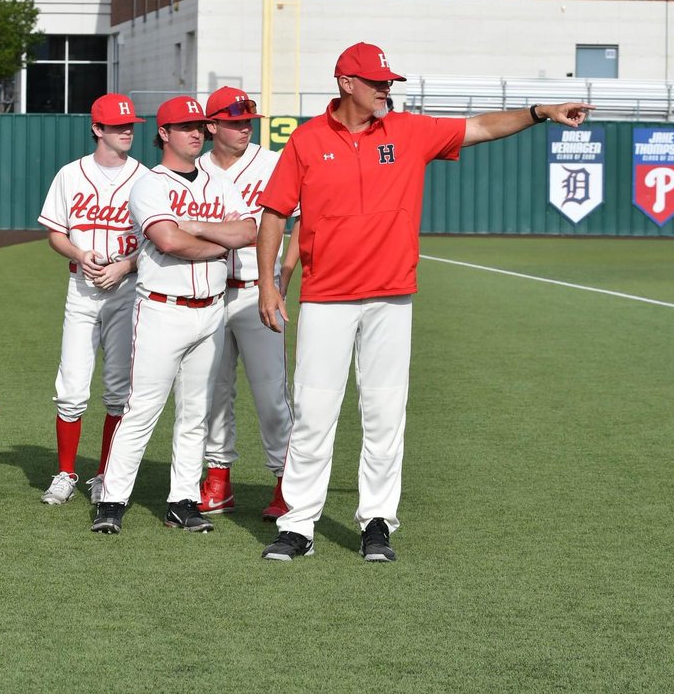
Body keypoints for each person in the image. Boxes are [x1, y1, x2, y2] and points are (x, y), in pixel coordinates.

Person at [255, 42, 593, 562]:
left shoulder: (408, 131)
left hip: (391, 298)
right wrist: (268, 283)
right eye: (377, 81)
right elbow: (275, 214)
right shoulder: (306, 140)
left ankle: (376, 524)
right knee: (314, 415)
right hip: (326, 297)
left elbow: (479, 128)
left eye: (389, 81)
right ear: (346, 83)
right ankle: (298, 526)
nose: (386, 88)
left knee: (384, 415)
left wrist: (539, 112)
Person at [91, 96, 256, 535]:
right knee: (141, 409)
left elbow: (248, 231)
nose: (196, 133)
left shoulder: (219, 181)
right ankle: (112, 500)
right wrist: (220, 245)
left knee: (195, 413)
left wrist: (197, 228)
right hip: (163, 310)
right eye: (185, 126)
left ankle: (182, 501)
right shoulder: (150, 184)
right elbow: (168, 241)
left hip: (211, 312)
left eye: (199, 126)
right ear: (164, 133)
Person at [195, 86, 302, 520]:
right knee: (213, 392)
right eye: (235, 122)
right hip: (209, 292)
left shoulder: (272, 163)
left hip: (260, 290)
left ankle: (285, 484)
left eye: (248, 122)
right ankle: (218, 480)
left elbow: (302, 221)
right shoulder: (195, 168)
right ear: (212, 126)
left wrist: (284, 277)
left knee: (272, 394)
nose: (244, 129)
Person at [37, 93, 147, 506]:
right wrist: (80, 254)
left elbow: (157, 242)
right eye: (118, 126)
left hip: (127, 291)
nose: (127, 131)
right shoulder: (71, 175)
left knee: (118, 391)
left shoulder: (146, 178)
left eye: (130, 125)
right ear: (97, 129)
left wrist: (126, 266)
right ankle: (65, 472)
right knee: (70, 388)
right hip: (81, 290)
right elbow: (55, 233)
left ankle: (105, 476)